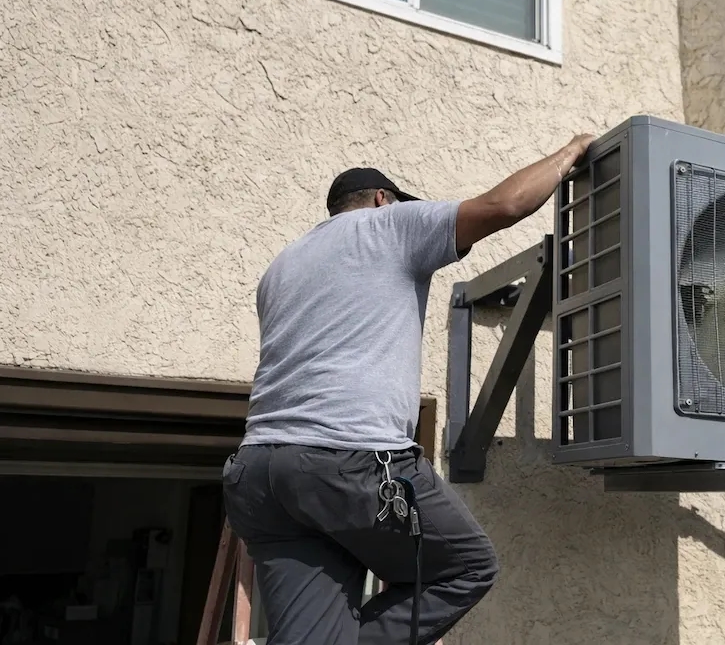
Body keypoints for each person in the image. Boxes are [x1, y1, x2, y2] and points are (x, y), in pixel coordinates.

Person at [222, 133, 596, 645]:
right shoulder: (389, 225)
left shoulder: (281, 266)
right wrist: (571, 151)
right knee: (467, 566)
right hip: (348, 461)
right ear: (382, 198)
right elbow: (505, 205)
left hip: (259, 477)